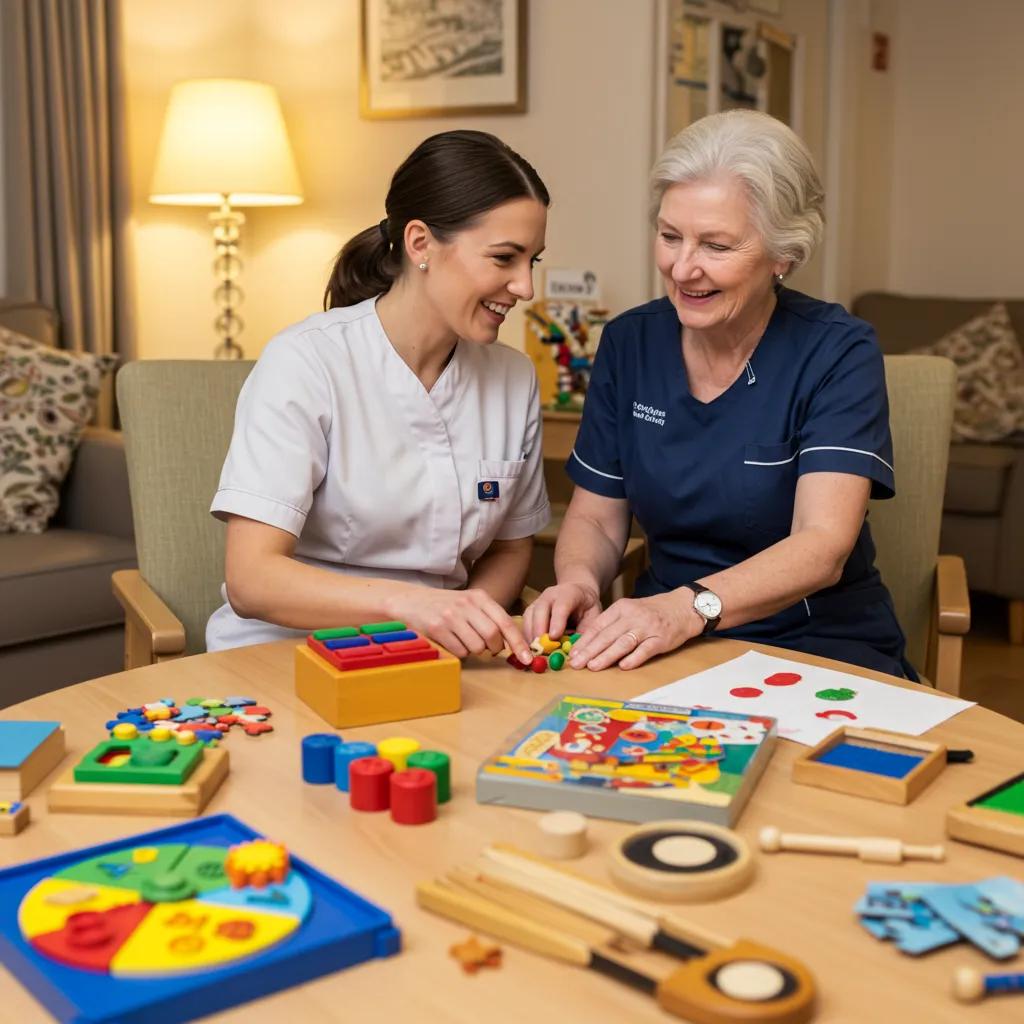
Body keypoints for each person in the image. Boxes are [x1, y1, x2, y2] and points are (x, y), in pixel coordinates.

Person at [525, 110, 913, 679]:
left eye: (717, 245)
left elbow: (822, 545)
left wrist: (688, 609)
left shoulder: (837, 350)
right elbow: (596, 520)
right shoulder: (630, 342)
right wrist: (580, 582)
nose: (683, 268)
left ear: (785, 253)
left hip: (816, 641)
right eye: (669, 236)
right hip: (668, 644)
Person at [206, 130, 550, 665]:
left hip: (438, 660)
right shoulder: (307, 361)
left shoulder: (513, 377)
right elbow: (252, 579)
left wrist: (468, 617)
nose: (525, 287)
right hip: (287, 655)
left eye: (533, 261)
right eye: (504, 258)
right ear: (420, 245)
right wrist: (416, 607)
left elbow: (511, 546)